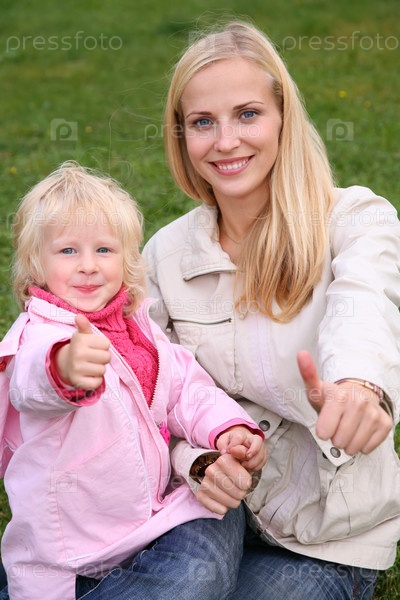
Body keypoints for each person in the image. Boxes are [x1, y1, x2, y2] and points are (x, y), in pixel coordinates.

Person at [142, 20, 400, 600]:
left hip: (325, 538)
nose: (225, 141)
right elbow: (152, 398)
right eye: (202, 122)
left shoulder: (357, 220)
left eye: (248, 114)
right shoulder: (164, 254)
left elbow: (365, 308)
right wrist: (198, 461)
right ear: (180, 136)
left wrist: (359, 387)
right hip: (209, 510)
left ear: (284, 118)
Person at [0, 161, 267, 600]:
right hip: (73, 548)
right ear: (36, 264)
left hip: (147, 520)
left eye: (104, 250)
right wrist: (63, 367)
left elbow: (187, 389)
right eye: (68, 251)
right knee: (188, 582)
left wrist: (227, 429)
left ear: (126, 260)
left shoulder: (138, 329)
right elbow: (29, 383)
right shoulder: (41, 335)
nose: (88, 266)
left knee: (217, 521)